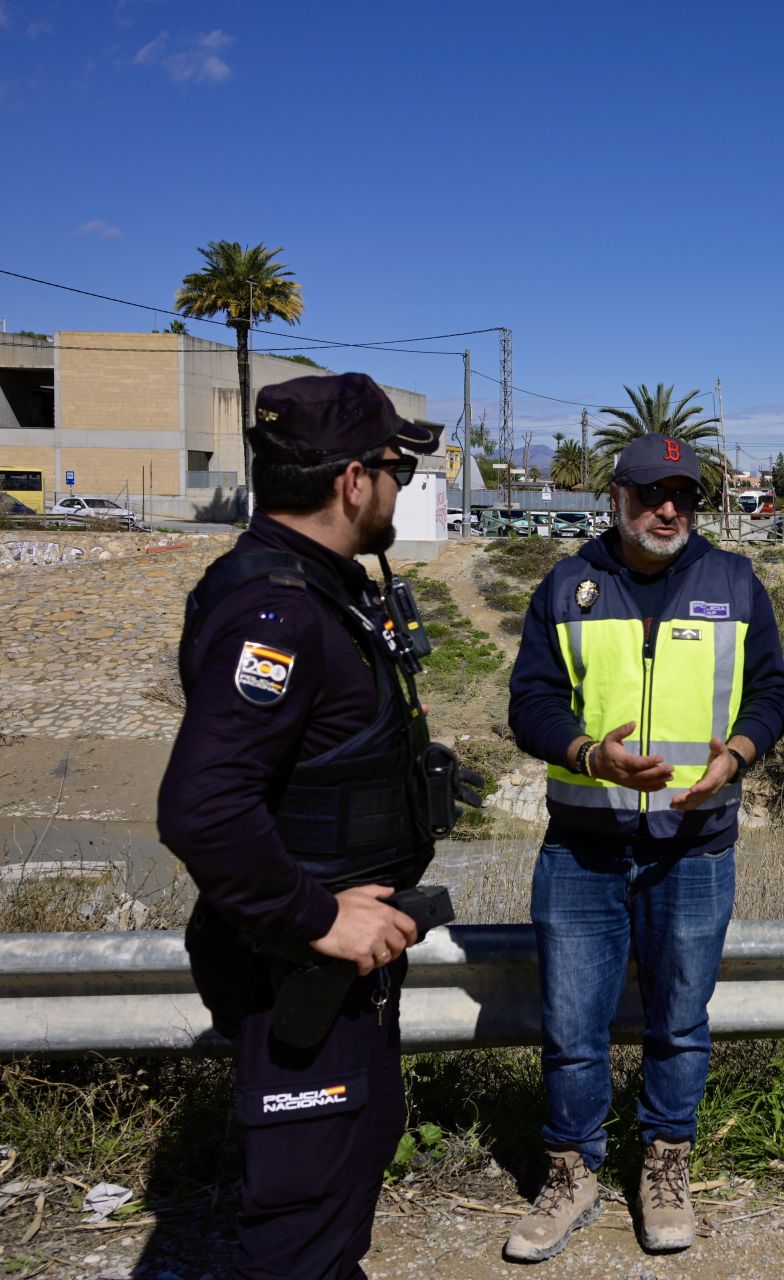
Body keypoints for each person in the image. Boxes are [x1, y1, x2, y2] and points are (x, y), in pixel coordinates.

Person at [157, 373, 445, 1280]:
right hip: (298, 968)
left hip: (326, 967)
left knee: (343, 1169)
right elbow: (202, 808)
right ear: (352, 481)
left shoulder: (314, 590)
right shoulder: (276, 612)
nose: (401, 490)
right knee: (302, 1214)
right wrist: (321, 919)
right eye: (396, 469)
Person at [504, 433, 784, 1260]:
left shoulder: (736, 584)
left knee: (679, 1021)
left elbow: (773, 692)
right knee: (570, 1023)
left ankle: (665, 1167)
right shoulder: (568, 584)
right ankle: (571, 1175)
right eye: (651, 492)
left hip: (695, 846)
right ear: (617, 497)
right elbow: (531, 702)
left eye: (685, 495)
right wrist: (590, 755)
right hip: (583, 847)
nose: (670, 508)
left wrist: (734, 757)